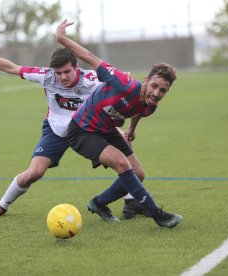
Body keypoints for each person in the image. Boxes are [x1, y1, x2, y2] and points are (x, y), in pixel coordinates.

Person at [0, 30, 146, 218]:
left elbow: (126, 91)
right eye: (59, 73)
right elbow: (12, 68)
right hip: (57, 131)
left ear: (76, 68)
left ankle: (131, 202)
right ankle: (2, 205)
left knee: (135, 170)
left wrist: (126, 127)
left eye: (67, 72)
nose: (63, 77)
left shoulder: (93, 80)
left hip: (90, 130)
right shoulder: (46, 77)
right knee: (35, 172)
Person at [56, 20, 182, 228]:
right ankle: (157, 214)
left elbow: (139, 112)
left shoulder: (151, 106)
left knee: (138, 174)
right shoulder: (123, 82)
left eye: (163, 91)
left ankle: (98, 203)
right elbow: (90, 57)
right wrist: (62, 39)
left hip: (106, 130)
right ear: (145, 80)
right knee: (122, 164)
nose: (156, 93)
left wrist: (131, 130)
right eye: (154, 86)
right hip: (82, 130)